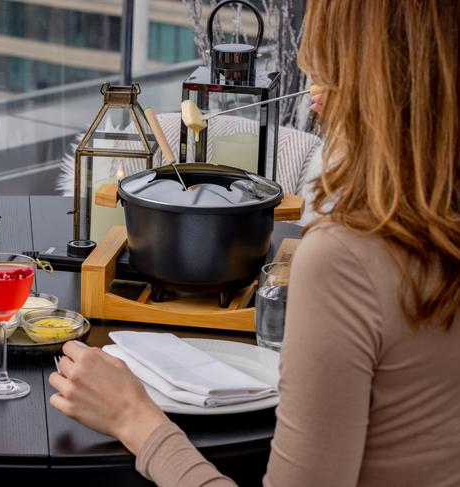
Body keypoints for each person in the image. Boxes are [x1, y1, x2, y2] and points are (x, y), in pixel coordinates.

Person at [48, 0, 460, 485]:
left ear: (378, 82)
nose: (312, 95)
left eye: (327, 69)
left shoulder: (346, 260)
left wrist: (134, 420)